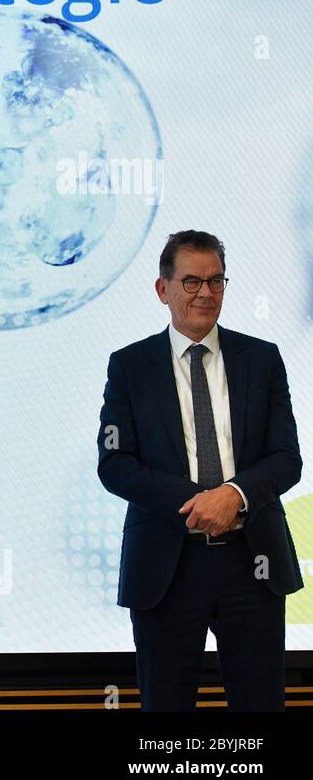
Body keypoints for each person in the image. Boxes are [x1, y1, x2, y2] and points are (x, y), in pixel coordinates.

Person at [97, 230, 302, 711]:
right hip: (167, 565)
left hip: (253, 560)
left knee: (260, 710)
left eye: (215, 281)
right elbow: (115, 464)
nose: (205, 293)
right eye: (191, 282)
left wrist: (233, 494)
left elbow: (287, 458)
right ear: (162, 289)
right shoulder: (129, 366)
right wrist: (196, 503)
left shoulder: (262, 359)